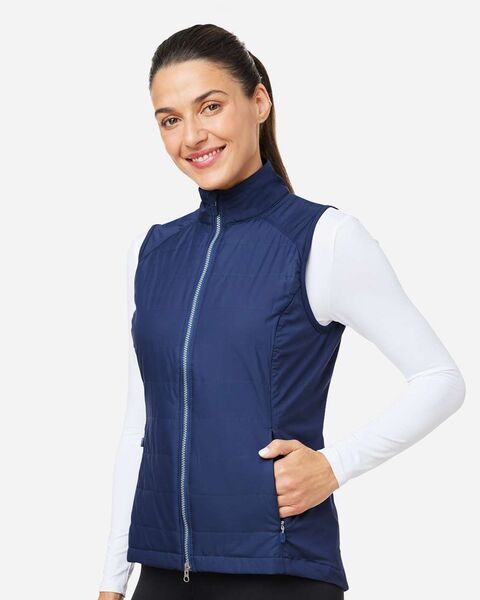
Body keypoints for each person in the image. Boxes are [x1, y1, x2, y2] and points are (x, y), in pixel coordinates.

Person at [97, 24, 466, 600]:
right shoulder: (152, 253)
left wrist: (334, 466)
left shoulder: (323, 238)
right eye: (170, 119)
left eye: (211, 106)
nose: (192, 136)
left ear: (259, 102)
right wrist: (112, 580)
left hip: (280, 573)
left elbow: (440, 379)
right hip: (162, 569)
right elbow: (140, 425)